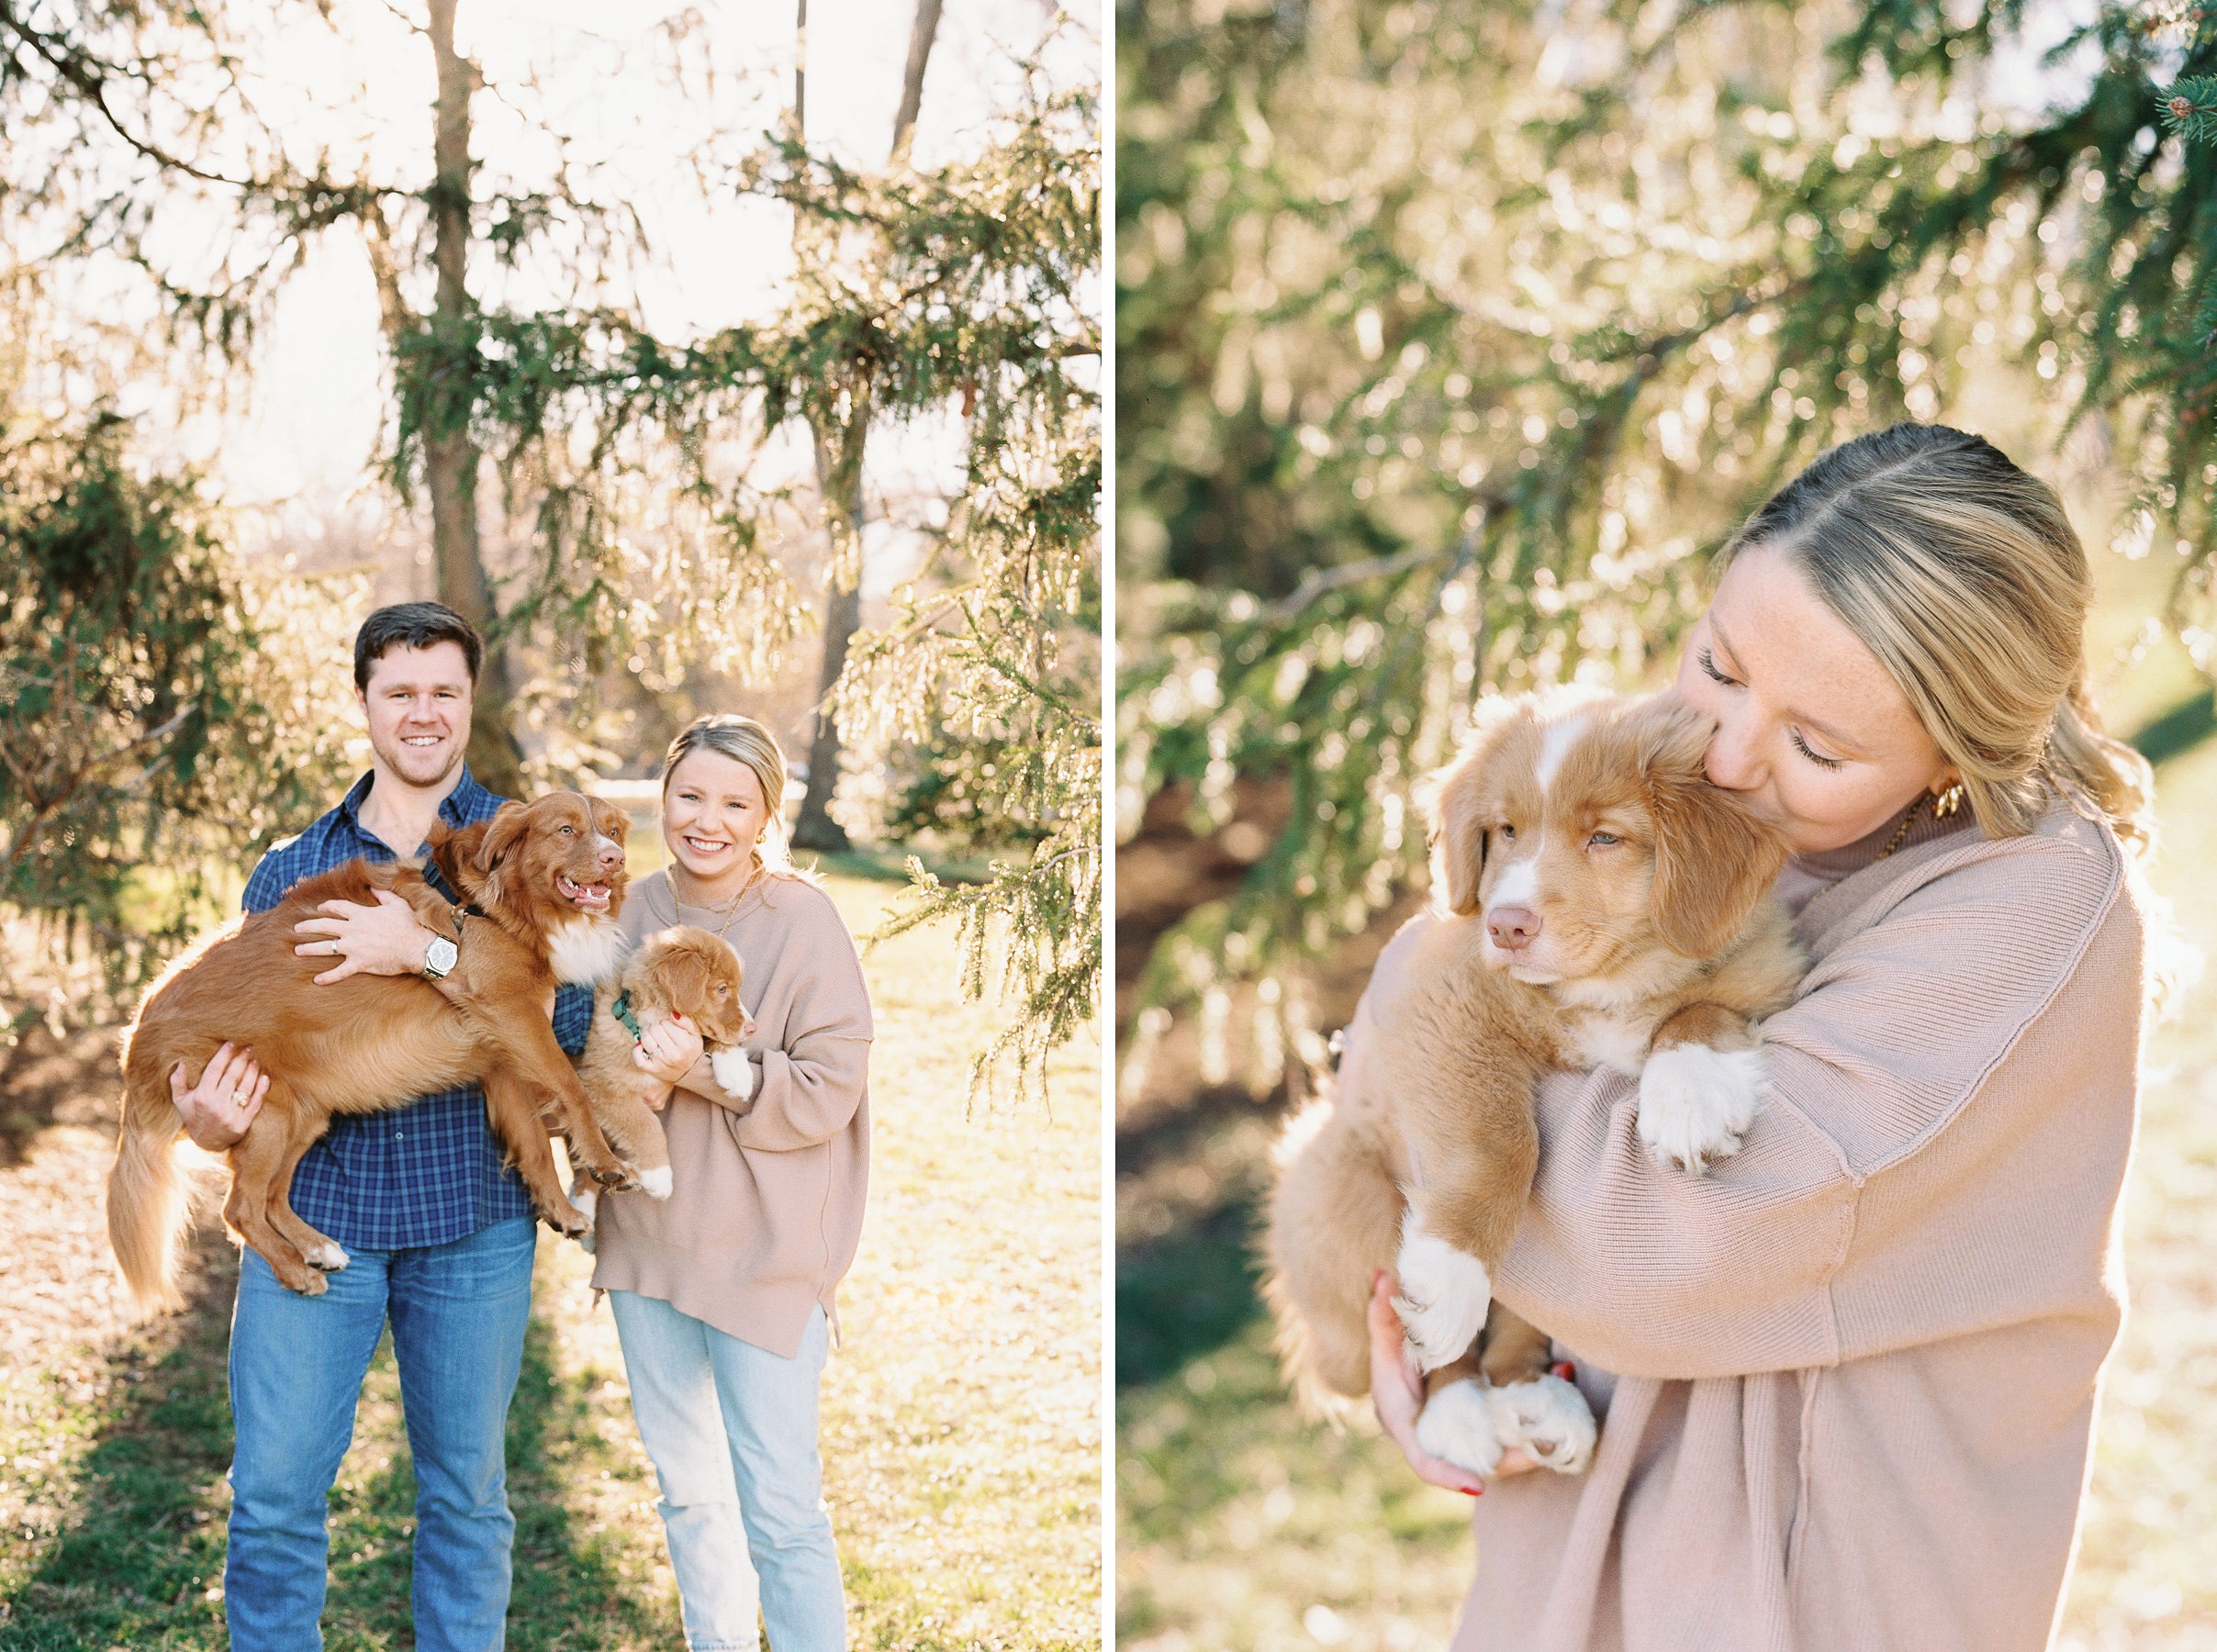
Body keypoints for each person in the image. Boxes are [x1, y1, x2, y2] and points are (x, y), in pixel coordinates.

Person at [1346, 424, 2159, 1650]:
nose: (1723, 757)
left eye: (1815, 746)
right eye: (1716, 667)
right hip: (1568, 1558)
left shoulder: (2027, 906)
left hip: (1815, 1593)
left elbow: (1671, 1247)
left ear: (1956, 753)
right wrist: (1437, 1370)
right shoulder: (1674, 801)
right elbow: (1391, 1123)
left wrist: (1429, 996)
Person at [171, 601, 592, 1652]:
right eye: (399, 691)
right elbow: (243, 1043)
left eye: (443, 691)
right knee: (272, 1498)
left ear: (468, 704)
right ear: (363, 702)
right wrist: (203, 1114)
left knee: (467, 1503)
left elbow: (569, 1028)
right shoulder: (289, 867)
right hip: (325, 1208)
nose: (422, 712)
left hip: (472, 1220)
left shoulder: (528, 842)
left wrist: (429, 952)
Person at [590, 713, 871, 1652]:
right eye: (689, 796)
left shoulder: (804, 920)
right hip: (650, 1247)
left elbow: (833, 1083)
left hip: (765, 1254)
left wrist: (705, 1071)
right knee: (692, 1497)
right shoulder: (629, 908)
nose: (706, 820)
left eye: (733, 803)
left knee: (782, 1510)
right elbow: (581, 1053)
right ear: (663, 799)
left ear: (765, 816)